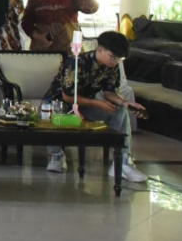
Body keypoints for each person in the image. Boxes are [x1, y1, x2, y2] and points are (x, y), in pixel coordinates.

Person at [43, 32, 147, 182]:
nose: (115, 61)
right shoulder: (75, 62)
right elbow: (67, 96)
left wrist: (125, 102)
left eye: (119, 58)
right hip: (59, 103)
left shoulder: (111, 66)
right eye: (112, 56)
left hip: (85, 104)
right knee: (52, 112)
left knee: (120, 113)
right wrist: (98, 104)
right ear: (99, 50)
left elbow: (109, 92)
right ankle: (57, 156)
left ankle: (122, 162)